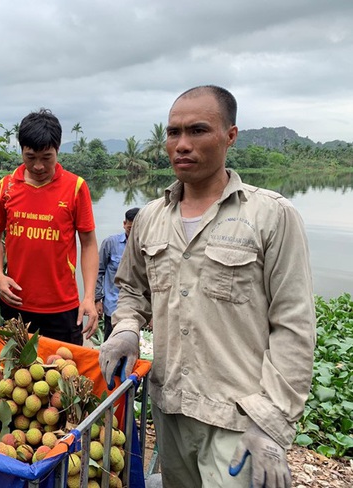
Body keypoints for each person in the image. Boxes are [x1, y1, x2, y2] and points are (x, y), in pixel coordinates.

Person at [99, 85, 315, 488]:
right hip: (170, 410)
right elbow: (131, 290)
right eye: (173, 132)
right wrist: (126, 327)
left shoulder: (272, 215)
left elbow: (294, 325)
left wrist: (270, 423)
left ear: (230, 136)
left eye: (198, 130)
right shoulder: (149, 218)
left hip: (238, 421)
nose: (182, 144)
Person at [0, 108, 99, 345]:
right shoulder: (5, 187)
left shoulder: (76, 187)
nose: (38, 166)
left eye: (46, 158)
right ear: (22, 151)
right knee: (14, 374)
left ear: (57, 150)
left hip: (62, 308)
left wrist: (88, 297)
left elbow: (88, 244)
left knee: (64, 373)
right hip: (15, 304)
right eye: (30, 157)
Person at [95, 207, 140, 341]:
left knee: (132, 345)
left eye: (136, 228)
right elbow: (98, 270)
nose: (132, 232)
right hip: (113, 305)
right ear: (124, 224)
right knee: (110, 344)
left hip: (136, 308)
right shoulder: (110, 243)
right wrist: (97, 299)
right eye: (130, 228)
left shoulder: (146, 245)